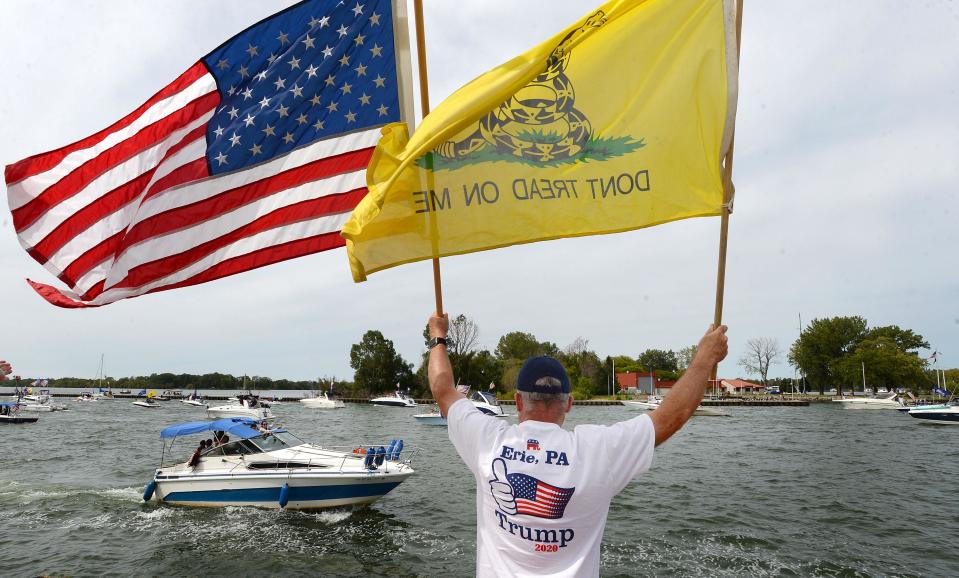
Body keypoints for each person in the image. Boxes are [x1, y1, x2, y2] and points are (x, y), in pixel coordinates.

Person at [426, 312, 728, 578]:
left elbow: (442, 388)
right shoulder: (597, 450)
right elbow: (669, 417)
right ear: (568, 404)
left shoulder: (487, 440)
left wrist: (438, 336)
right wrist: (704, 358)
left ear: (518, 401)